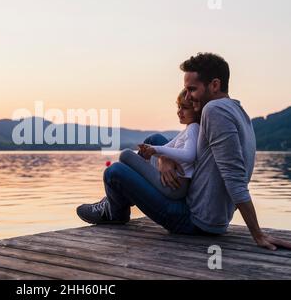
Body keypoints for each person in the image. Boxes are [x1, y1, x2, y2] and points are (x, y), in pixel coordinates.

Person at [76, 52, 291, 250]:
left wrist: (258, 234)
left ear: (214, 85)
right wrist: (164, 160)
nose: (186, 98)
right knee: (154, 140)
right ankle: (116, 202)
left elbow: (235, 178)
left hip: (194, 220)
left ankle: (115, 210)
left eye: (192, 89)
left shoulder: (214, 110)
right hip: (202, 204)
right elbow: (196, 153)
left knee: (114, 172)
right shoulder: (237, 109)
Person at [118, 89, 200, 200]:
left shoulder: (193, 128)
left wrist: (155, 150)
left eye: (184, 108)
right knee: (145, 148)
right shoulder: (188, 130)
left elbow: (189, 155)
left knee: (125, 155)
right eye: (179, 107)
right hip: (174, 184)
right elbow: (166, 147)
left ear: (196, 110)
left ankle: (120, 197)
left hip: (175, 186)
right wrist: (150, 150)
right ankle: (122, 195)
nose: (179, 112)